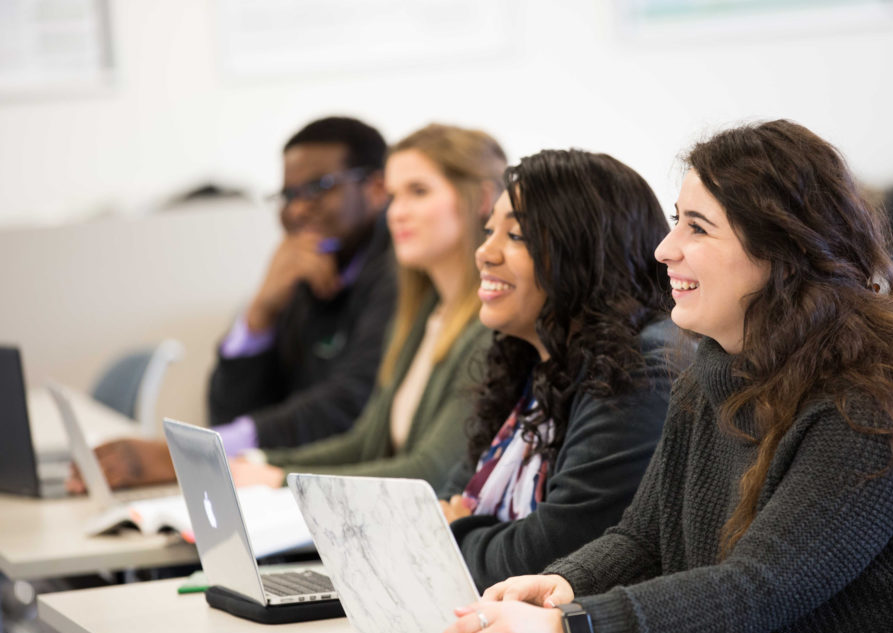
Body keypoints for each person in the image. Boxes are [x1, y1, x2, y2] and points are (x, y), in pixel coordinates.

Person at [442, 120, 893, 633]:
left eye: (697, 227)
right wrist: (565, 584)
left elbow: (763, 585)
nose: (665, 249)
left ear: (779, 251)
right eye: (676, 222)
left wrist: (575, 629)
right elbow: (643, 537)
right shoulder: (712, 373)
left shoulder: (879, 397)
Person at [67, 116, 397, 490]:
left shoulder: (400, 272)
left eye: (319, 188)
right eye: (288, 195)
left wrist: (195, 456)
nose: (299, 210)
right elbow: (229, 411)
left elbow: (352, 405)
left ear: (376, 188)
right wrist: (260, 314)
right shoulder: (306, 266)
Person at [436, 149, 687, 589]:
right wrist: (453, 528)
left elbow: (552, 553)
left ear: (588, 252)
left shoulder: (641, 367)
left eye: (517, 236)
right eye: (488, 231)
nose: (484, 253)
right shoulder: (536, 359)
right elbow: (445, 499)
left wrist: (455, 535)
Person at [226, 124, 505, 491]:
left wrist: (282, 480)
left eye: (418, 192)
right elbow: (364, 443)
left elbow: (429, 473)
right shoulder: (426, 313)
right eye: (393, 196)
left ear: (482, 199)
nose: (397, 213)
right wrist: (259, 462)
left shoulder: (491, 327)